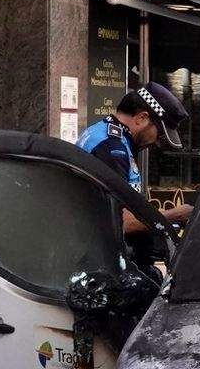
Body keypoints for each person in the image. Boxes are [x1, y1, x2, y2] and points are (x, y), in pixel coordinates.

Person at [76, 83, 193, 272]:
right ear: (141, 118)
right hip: (104, 264)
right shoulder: (112, 149)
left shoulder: (105, 134)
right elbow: (122, 222)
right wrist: (174, 214)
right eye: (159, 134)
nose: (157, 143)